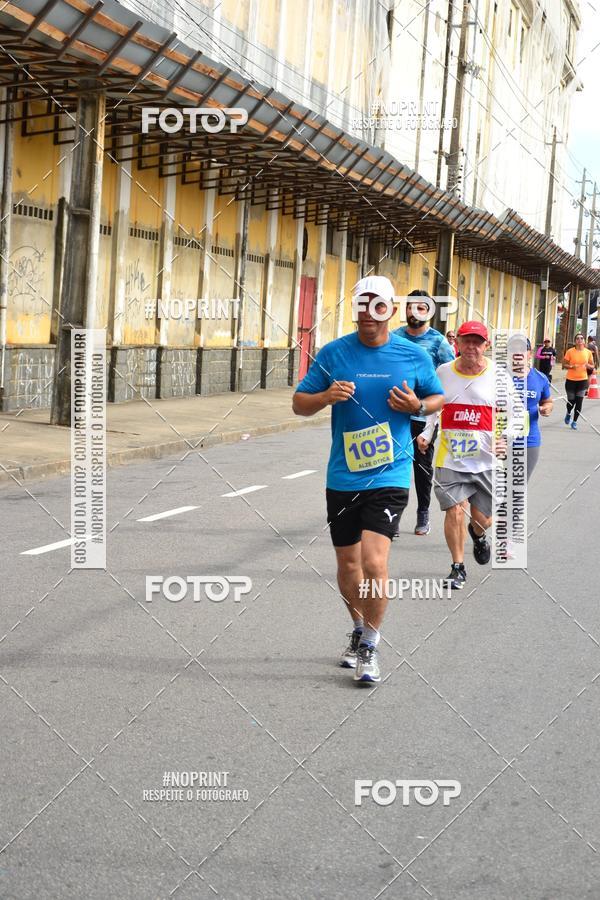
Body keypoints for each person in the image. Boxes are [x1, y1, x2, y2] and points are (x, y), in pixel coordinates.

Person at [292, 275, 444, 683]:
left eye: (378, 308)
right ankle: (359, 630)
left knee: (375, 562)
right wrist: (325, 397)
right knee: (348, 564)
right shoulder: (334, 353)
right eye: (362, 307)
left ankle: (371, 645)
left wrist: (417, 405)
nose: (369, 316)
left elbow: (436, 397)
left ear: (391, 311)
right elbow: (299, 405)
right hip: (343, 475)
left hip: (390, 472)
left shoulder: (412, 355)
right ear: (356, 309)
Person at [417, 321, 517, 590]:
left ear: (487, 345)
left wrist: (503, 439)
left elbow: (515, 415)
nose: (471, 347)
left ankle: (478, 534)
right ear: (457, 343)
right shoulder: (443, 372)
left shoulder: (499, 376)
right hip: (451, 458)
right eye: (466, 341)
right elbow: (436, 408)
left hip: (486, 460)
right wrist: (427, 433)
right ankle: (457, 567)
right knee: (454, 511)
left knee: (482, 519)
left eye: (478, 342)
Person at [394, 290, 455, 536]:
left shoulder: (439, 342)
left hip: (423, 416)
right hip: (395, 415)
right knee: (394, 466)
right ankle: (392, 516)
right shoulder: (394, 337)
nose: (414, 312)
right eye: (410, 307)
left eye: (421, 307)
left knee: (422, 468)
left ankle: (423, 513)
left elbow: (448, 382)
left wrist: (434, 423)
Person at [514, 339, 553, 480]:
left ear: (529, 353)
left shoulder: (540, 378)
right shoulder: (497, 377)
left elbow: (547, 401)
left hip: (529, 440)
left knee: (518, 486)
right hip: (500, 438)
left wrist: (546, 408)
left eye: (522, 350)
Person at [562, 333, 595, 430]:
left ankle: (575, 421)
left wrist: (589, 366)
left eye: (581, 338)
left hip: (583, 381)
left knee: (579, 402)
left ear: (584, 341)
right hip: (571, 380)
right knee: (571, 401)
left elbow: (593, 366)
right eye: (577, 338)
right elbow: (564, 365)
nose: (579, 340)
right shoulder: (570, 351)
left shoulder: (588, 352)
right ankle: (568, 413)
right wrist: (572, 366)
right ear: (575, 341)